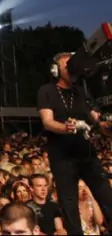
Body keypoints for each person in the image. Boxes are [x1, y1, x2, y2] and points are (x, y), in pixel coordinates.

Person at [37, 52, 112, 235]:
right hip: (62, 156)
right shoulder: (46, 91)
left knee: (107, 196)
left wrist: (106, 125)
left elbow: (96, 119)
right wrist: (67, 128)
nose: (72, 67)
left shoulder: (81, 91)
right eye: (67, 64)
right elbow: (47, 121)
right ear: (55, 70)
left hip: (85, 153)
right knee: (69, 204)